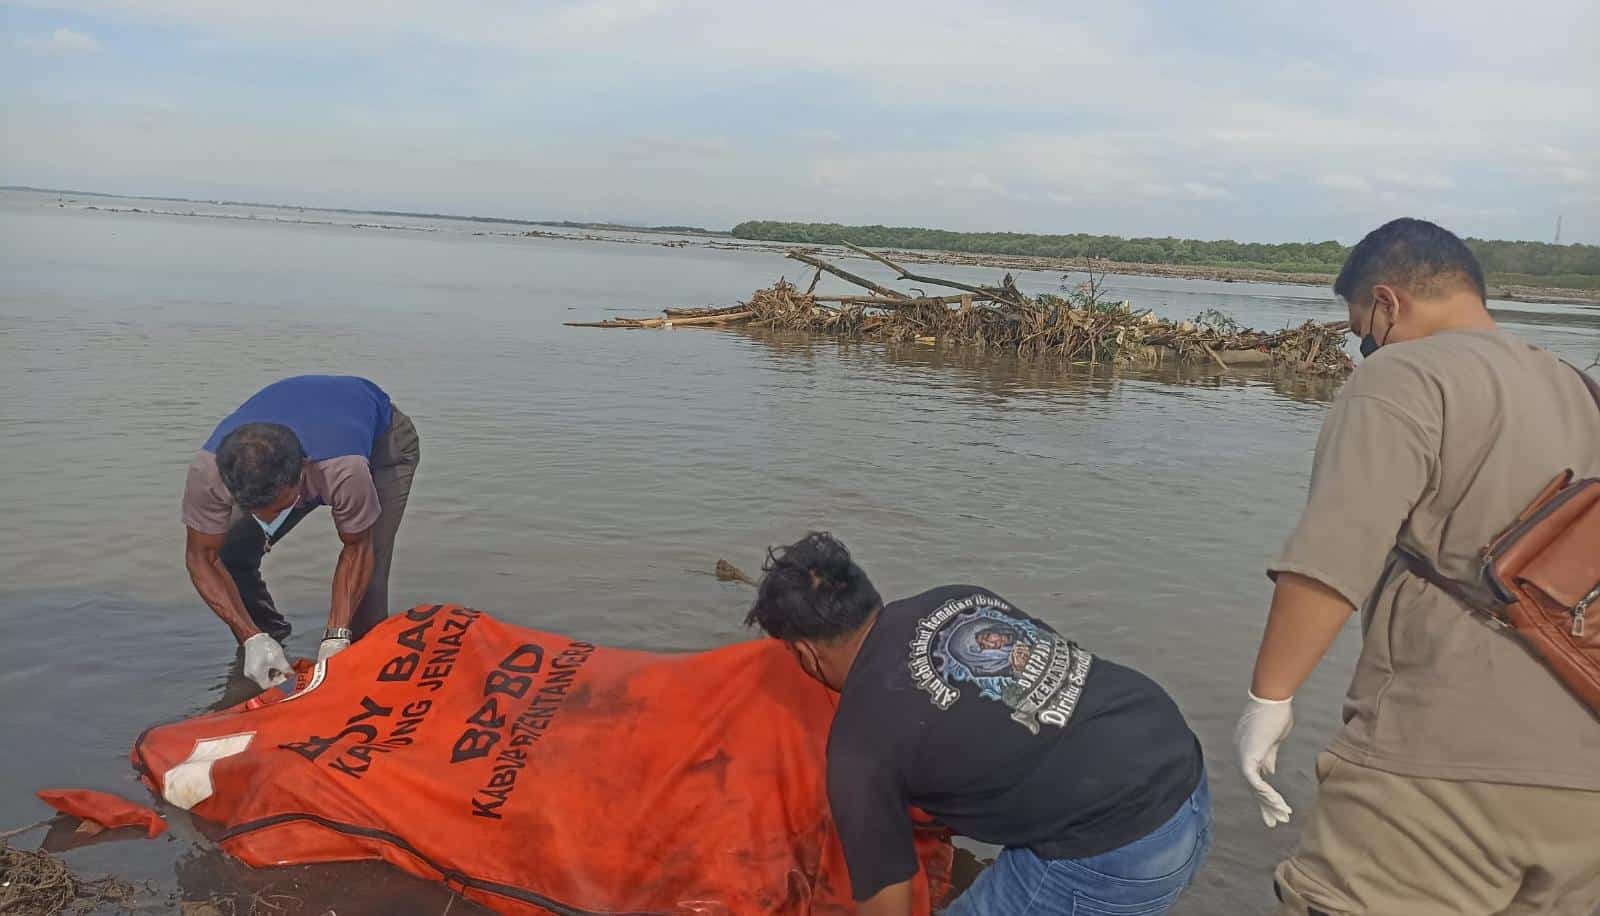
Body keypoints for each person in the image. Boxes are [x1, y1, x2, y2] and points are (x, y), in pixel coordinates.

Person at [1235, 218, 1600, 915]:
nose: (1364, 346)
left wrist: (1268, 700)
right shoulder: (1579, 388)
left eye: (1360, 329)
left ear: (1388, 302)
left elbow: (1333, 555)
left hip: (1438, 773)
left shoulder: (1404, 373)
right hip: (1587, 789)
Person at [746, 532, 1210, 915]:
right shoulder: (959, 598)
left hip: (1115, 851)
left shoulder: (858, 748)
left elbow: (887, 902)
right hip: (1182, 771)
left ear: (804, 653)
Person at [182, 375, 420, 688]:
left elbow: (358, 548)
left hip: (382, 446)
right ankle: (268, 642)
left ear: (303, 473)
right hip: (297, 448)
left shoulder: (343, 470)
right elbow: (202, 558)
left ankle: (362, 680)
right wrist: (251, 636)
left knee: (368, 584)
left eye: (281, 507)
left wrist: (337, 636)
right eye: (257, 511)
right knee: (230, 553)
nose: (270, 520)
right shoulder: (208, 472)